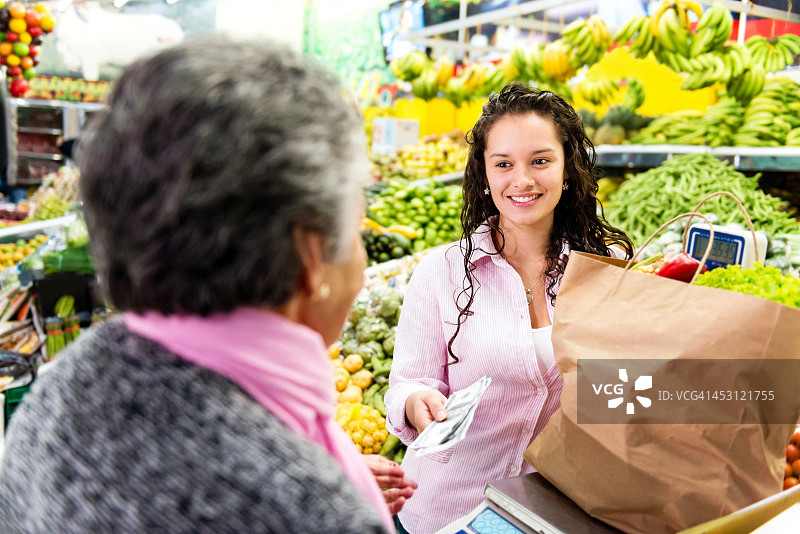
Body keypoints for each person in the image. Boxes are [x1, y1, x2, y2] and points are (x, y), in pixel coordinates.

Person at [0, 36, 416, 533]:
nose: (362, 257)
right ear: (311, 256)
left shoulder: (56, 392)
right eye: (355, 229)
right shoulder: (309, 511)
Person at [385, 82, 633, 533]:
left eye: (540, 161)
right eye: (503, 164)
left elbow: (623, 391)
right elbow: (407, 384)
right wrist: (417, 403)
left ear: (568, 167)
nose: (522, 180)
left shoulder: (605, 268)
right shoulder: (441, 271)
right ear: (484, 173)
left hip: (553, 511)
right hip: (449, 511)